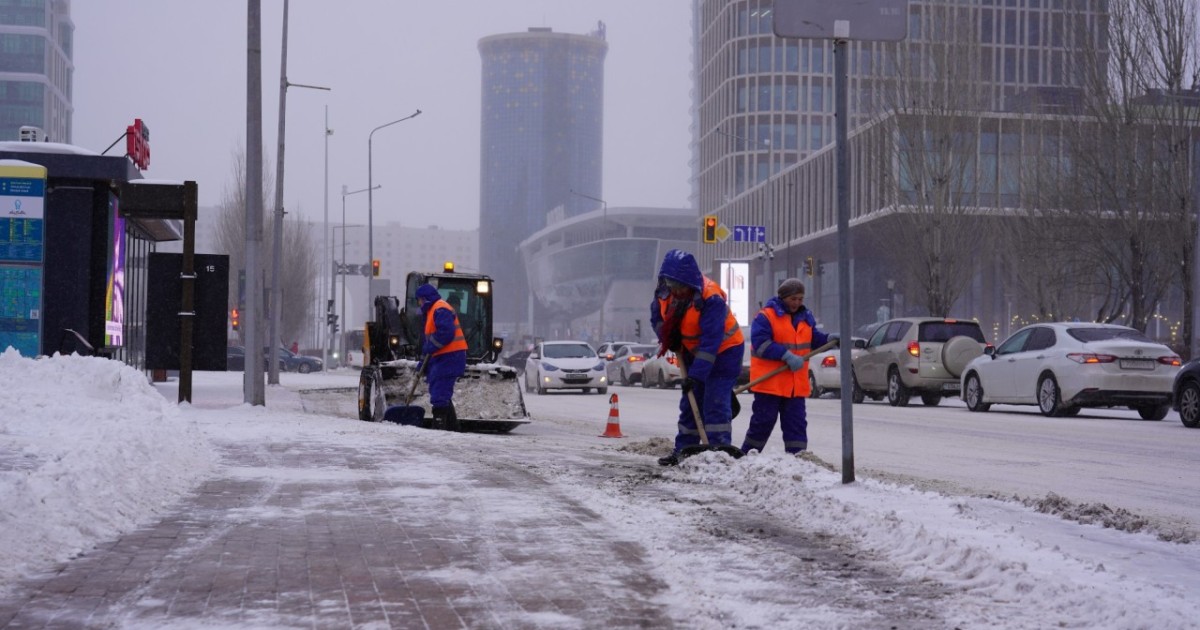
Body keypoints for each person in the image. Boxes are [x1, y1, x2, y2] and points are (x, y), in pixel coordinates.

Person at [650, 249, 745, 466]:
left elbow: (711, 341)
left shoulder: (711, 298)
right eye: (671, 285)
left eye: (679, 286)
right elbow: (657, 319)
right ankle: (684, 450)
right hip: (692, 351)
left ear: (689, 281)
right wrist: (668, 338)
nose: (675, 290)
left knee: (715, 403)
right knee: (689, 403)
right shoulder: (663, 293)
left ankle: (719, 453)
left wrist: (696, 376)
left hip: (724, 352)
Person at [741, 278, 832, 456]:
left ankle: (797, 459)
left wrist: (827, 339)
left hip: (795, 385)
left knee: (796, 424)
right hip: (770, 383)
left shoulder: (806, 317)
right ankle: (746, 456)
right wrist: (785, 355)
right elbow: (761, 344)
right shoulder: (766, 316)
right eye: (793, 299)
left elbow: (813, 339)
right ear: (783, 297)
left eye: (800, 299)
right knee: (762, 422)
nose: (797, 303)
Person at [416, 283, 468, 431]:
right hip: (443, 357)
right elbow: (430, 343)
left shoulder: (440, 308)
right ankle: (452, 427)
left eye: (419, 300)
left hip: (451, 356)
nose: (419, 304)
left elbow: (446, 333)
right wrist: (423, 363)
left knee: (440, 392)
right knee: (439, 390)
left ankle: (439, 426)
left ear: (425, 299)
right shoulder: (432, 311)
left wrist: (430, 347)